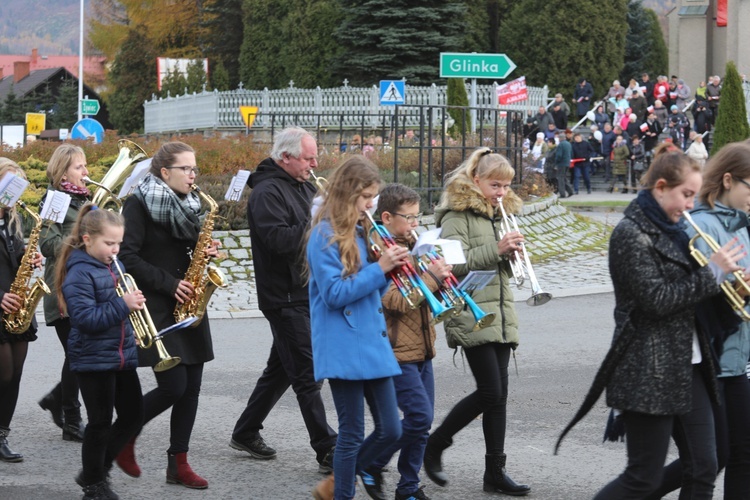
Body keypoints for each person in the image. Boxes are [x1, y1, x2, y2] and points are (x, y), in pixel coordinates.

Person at [555, 150, 744, 499]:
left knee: (706, 465)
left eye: (693, 195)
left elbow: (693, 294)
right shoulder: (631, 233)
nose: (689, 205)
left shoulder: (673, 230)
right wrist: (713, 272)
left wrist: (727, 284)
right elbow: (657, 301)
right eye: (686, 194)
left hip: (692, 363)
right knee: (642, 477)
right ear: (660, 187)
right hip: (648, 368)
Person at [423, 147, 530, 496]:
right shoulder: (457, 215)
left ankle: (495, 473)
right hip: (469, 312)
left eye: (505, 186)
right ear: (476, 180)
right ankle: (435, 444)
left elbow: (499, 264)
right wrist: (497, 250)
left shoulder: (499, 214)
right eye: (495, 184)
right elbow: (453, 266)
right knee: (490, 392)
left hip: (498, 310)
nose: (501, 192)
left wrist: (515, 255)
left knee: (499, 398)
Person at [645, 142, 750, 500]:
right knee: (710, 460)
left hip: (731, 356)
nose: (689, 203)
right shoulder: (696, 226)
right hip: (707, 359)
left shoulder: (741, 224)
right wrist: (729, 284)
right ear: (727, 180)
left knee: (722, 458)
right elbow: (680, 296)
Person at [230, 127, 337, 473]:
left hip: (307, 290)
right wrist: (321, 225)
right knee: (308, 373)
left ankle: (245, 431)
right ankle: (327, 448)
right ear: (286, 157)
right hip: (283, 294)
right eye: (309, 158)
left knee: (281, 370)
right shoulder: (266, 191)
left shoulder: (304, 185)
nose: (315, 164)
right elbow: (279, 241)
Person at [117, 141, 219, 489]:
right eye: (186, 169)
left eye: (195, 169)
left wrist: (205, 254)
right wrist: (170, 282)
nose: (193, 176)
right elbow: (127, 257)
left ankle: (179, 463)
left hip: (188, 302)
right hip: (159, 305)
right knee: (173, 386)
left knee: (191, 389)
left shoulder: (190, 204)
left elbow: (186, 248)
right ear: (165, 172)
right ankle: (123, 434)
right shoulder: (138, 204)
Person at [306, 156, 403, 500]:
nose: (370, 205)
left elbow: (371, 292)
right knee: (351, 432)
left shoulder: (364, 232)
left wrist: (386, 270)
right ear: (348, 194)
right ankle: (342, 493)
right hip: (343, 343)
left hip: (370, 341)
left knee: (392, 429)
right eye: (365, 197)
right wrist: (379, 271)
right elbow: (333, 295)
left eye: (373, 197)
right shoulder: (323, 235)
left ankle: (335, 483)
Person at [353, 184, 452, 500]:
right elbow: (393, 301)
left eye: (417, 216)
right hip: (397, 352)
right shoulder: (379, 251)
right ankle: (369, 463)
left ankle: (408, 488)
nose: (414, 224)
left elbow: (421, 297)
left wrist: (444, 281)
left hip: (423, 345)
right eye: (408, 218)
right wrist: (432, 279)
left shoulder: (416, 245)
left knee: (421, 424)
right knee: (420, 417)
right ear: (386, 216)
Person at [57, 206, 145, 500]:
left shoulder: (111, 267)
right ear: (86, 239)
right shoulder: (79, 273)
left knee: (134, 414)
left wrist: (129, 304)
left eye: (118, 243)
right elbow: (85, 319)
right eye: (109, 243)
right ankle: (94, 486)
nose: (115, 249)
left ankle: (96, 469)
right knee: (100, 423)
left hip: (120, 355)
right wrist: (123, 304)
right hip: (93, 360)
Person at [39, 143, 90, 442]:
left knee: (79, 353)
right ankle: (72, 419)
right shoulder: (55, 200)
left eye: (85, 166)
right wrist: (82, 243)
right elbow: (48, 245)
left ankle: (58, 400)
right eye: (79, 167)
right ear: (63, 171)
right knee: (78, 354)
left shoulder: (86, 198)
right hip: (62, 288)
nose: (86, 172)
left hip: (86, 287)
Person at [0, 159, 41, 462]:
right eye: (9, 185)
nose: (14, 194)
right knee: (3, 372)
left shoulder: (12, 220)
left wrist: (30, 257)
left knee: (15, 374)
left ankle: (2, 434)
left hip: (17, 306)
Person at [554, 131, 574, 198]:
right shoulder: (568, 144)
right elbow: (571, 153)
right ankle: (570, 191)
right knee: (564, 178)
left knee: (560, 179)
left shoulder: (560, 145)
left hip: (561, 163)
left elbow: (559, 155)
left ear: (559, 138)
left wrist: (556, 162)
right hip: (567, 162)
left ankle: (562, 194)